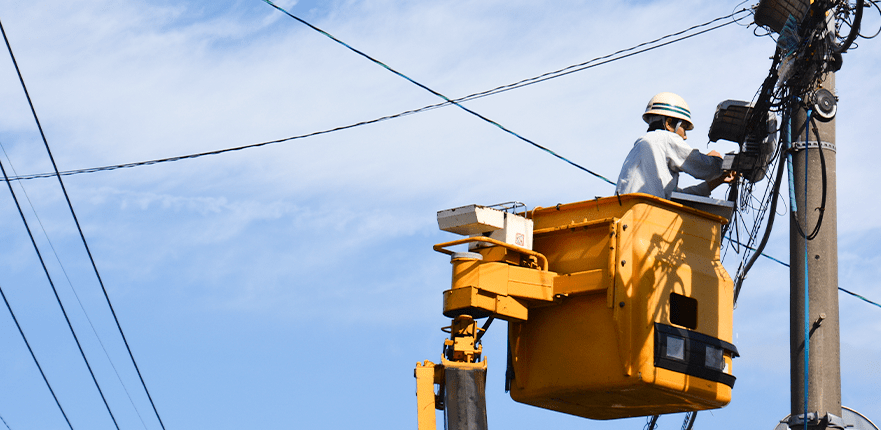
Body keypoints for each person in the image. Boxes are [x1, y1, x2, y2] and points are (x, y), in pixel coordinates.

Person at [615, 92, 729, 199]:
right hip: (645, 210)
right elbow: (703, 167)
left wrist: (715, 182)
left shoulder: (645, 147)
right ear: (669, 124)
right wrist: (720, 162)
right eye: (684, 128)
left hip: (630, 212)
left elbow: (675, 197)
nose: (685, 136)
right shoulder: (665, 138)